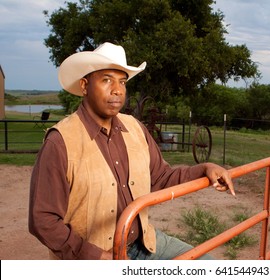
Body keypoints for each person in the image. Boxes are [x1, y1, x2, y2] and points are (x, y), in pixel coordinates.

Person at [28, 42, 235, 260]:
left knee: (206, 263)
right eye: (107, 80)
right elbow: (43, 220)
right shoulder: (60, 142)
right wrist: (96, 257)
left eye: (122, 82)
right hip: (94, 258)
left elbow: (161, 178)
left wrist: (205, 168)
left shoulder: (135, 128)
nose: (117, 90)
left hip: (143, 243)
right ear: (84, 86)